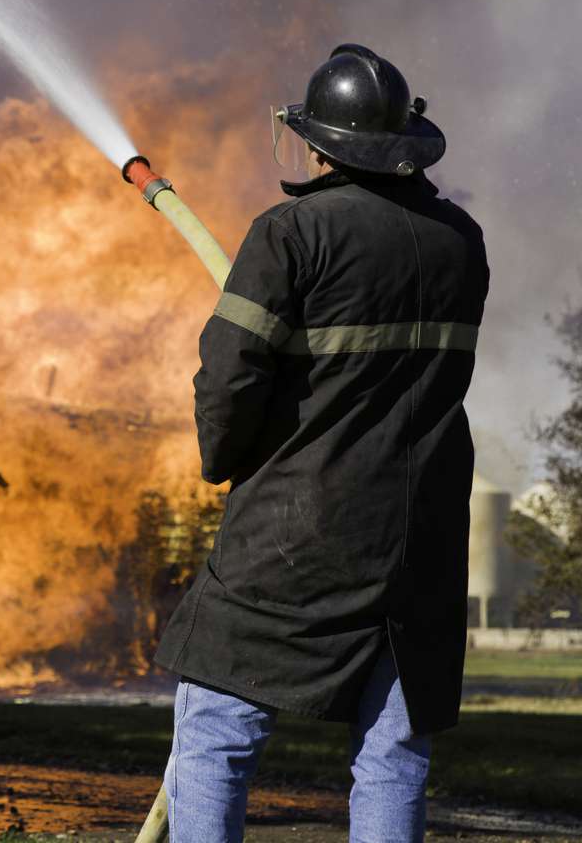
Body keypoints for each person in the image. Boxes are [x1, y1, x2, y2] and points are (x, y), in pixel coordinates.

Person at [154, 44, 489, 842]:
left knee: (214, 736)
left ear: (321, 146)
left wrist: (222, 459)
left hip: (296, 531)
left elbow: (230, 376)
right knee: (393, 753)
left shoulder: (290, 234)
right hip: (419, 535)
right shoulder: (461, 242)